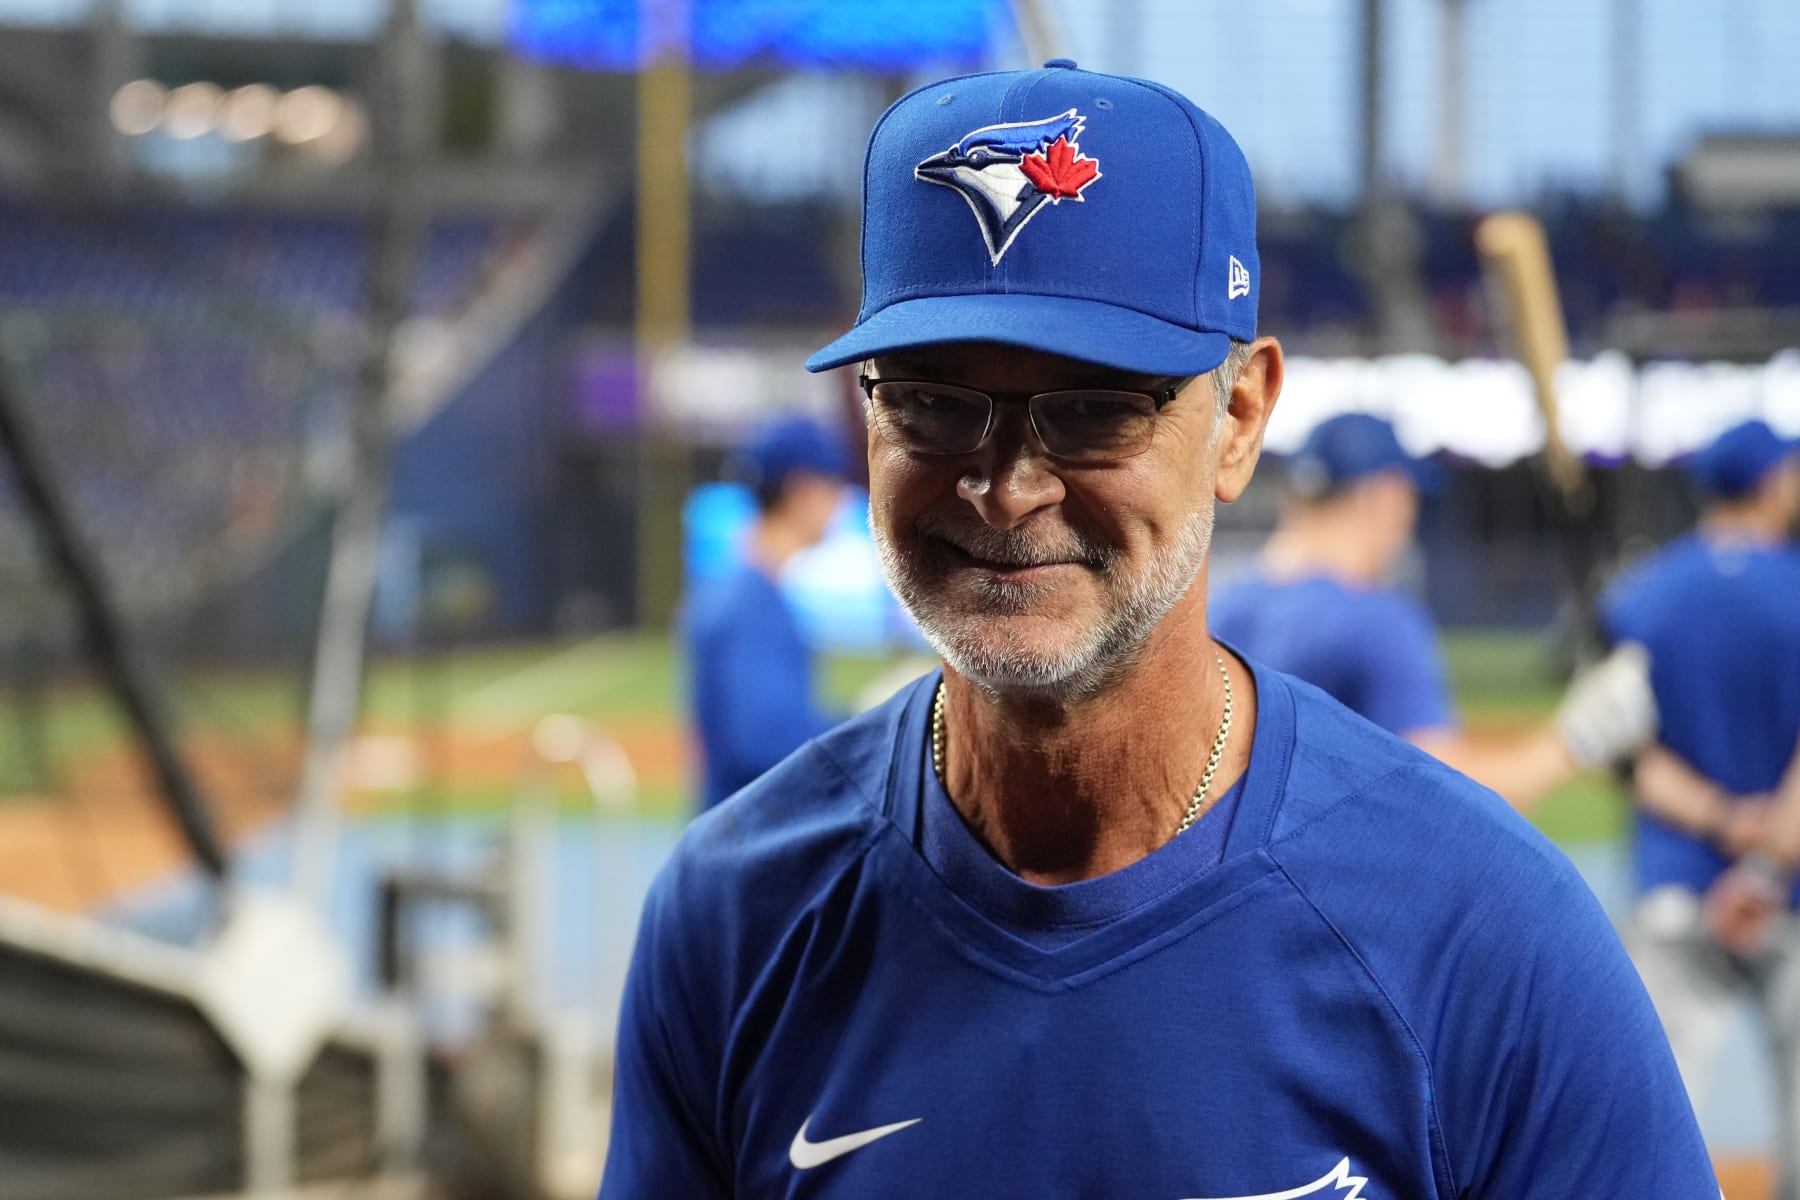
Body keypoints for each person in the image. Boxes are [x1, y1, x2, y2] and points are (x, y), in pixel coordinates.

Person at [602, 61, 1715, 1197]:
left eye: (1093, 410)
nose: (1005, 486)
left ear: (1239, 420)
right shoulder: (735, 916)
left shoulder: (1485, 932)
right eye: (934, 402)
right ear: (868, 418)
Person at [1211, 411, 1656, 807]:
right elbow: (1444, 797)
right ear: (1383, 497)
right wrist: (1576, 739)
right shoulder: (1376, 622)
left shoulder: (1221, 607)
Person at [1601, 417, 1800, 1193]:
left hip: (1675, 883)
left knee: (1648, 1125)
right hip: (1788, 882)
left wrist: (1721, 823)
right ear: (1769, 483)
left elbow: (1629, 757)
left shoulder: (1639, 594)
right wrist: (1758, 860)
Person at [683, 415, 851, 810]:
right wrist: (868, 722)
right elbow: (763, 742)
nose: (841, 501)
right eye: (834, 486)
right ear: (802, 491)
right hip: (745, 849)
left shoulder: (742, 589)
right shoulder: (751, 603)